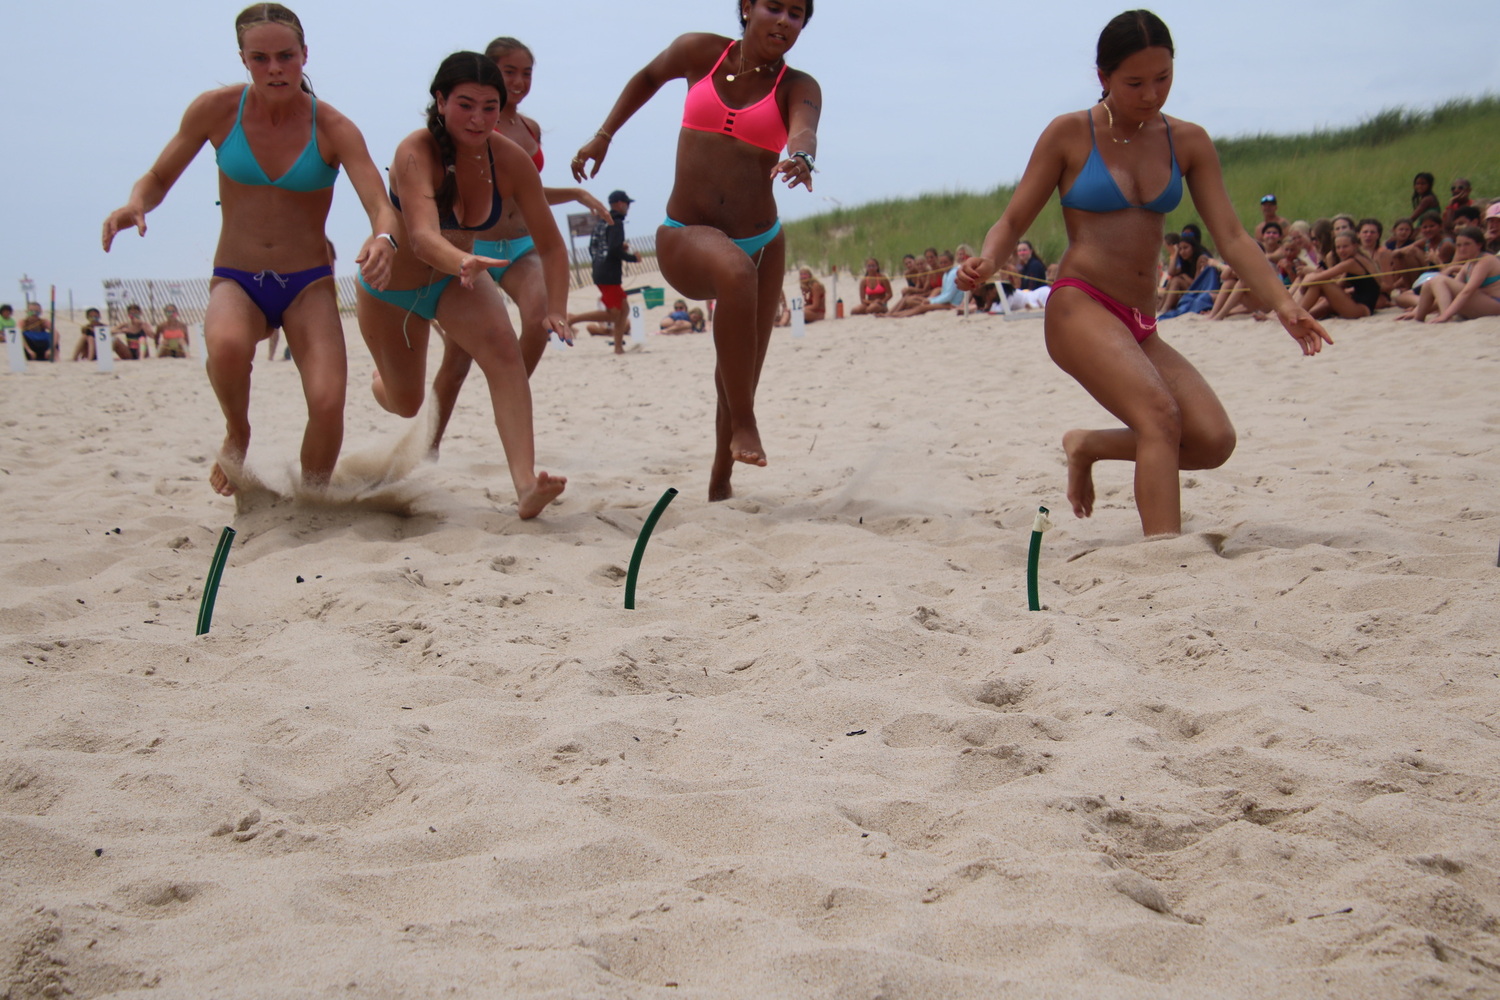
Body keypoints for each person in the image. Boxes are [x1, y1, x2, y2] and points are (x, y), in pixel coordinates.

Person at [958, 9, 1329, 538]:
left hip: (1140, 319)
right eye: (1134, 82)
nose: (1152, 94)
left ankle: (1088, 444)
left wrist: (1285, 304)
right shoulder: (1069, 133)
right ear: (1103, 76)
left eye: (1163, 78)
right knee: (1159, 415)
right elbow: (1014, 218)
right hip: (1079, 305)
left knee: (1211, 440)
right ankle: (1165, 560)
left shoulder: (1189, 142)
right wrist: (989, 261)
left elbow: (1233, 237)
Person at [101, 3, 399, 497]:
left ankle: (312, 499)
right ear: (243, 58)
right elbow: (157, 178)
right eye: (260, 58)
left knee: (327, 402)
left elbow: (379, 204)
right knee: (226, 346)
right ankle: (238, 430)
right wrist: (136, 204)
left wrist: (383, 239)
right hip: (237, 277)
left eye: (286, 55)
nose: (275, 68)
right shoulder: (215, 111)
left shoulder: (333, 127)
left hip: (307, 284)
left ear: (305, 55)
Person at [572, 0, 821, 500]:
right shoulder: (699, 52)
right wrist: (604, 135)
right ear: (747, 8)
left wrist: (800, 156)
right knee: (733, 272)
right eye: (775, 7)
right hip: (685, 233)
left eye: (797, 14)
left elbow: (804, 128)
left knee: (743, 366)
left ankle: (720, 479)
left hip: (765, 240)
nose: (784, 22)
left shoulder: (798, 86)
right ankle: (746, 424)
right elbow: (647, 77)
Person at [355, 51, 566, 519]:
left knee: (505, 355)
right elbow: (425, 237)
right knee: (407, 402)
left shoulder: (510, 158)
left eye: (490, 107)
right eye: (465, 104)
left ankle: (526, 485)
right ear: (440, 100)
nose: (478, 118)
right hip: (393, 289)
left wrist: (559, 309)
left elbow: (551, 245)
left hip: (457, 283)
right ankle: (382, 381)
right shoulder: (415, 151)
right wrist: (462, 259)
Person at [427, 36, 612, 454]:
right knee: (456, 361)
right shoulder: (474, 125)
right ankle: (429, 445)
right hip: (478, 248)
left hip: (523, 245)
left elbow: (528, 191)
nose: (519, 80)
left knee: (538, 319)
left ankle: (510, 395)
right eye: (509, 71)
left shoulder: (529, 128)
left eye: (527, 72)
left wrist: (577, 194)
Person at [566, 190, 640, 354]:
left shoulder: (601, 221)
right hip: (609, 274)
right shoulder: (616, 222)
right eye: (627, 204)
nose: (628, 208)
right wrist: (632, 258)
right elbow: (613, 249)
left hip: (600, 270)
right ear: (620, 204)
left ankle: (618, 347)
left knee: (624, 309)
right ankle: (572, 319)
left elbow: (595, 247)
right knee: (614, 314)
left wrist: (601, 260)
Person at [1398, 227, 1500, 323]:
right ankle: (1418, 316)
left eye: (1467, 244)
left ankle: (1446, 317)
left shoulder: (1485, 261)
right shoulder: (1469, 263)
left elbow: (1467, 292)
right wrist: (1416, 311)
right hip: (1483, 302)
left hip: (1495, 304)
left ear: (1479, 245)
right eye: (1459, 245)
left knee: (1440, 279)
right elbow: (1448, 290)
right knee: (1429, 284)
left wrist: (1445, 315)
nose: (1462, 248)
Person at [1296, 232, 1379, 319]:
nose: (1341, 250)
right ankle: (1300, 315)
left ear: (1355, 245)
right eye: (1338, 247)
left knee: (1320, 282)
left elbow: (1320, 277)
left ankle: (1297, 314)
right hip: (1361, 306)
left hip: (1360, 309)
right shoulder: (1360, 258)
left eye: (1345, 246)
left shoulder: (1351, 263)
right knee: (1319, 305)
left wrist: (1304, 285)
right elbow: (1339, 285)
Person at [1007, 240, 1050, 310]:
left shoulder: (1034, 265)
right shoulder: (1025, 266)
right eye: (1019, 251)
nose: (1022, 253)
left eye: (1024, 250)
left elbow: (1032, 285)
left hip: (1037, 294)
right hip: (1029, 294)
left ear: (1031, 251)